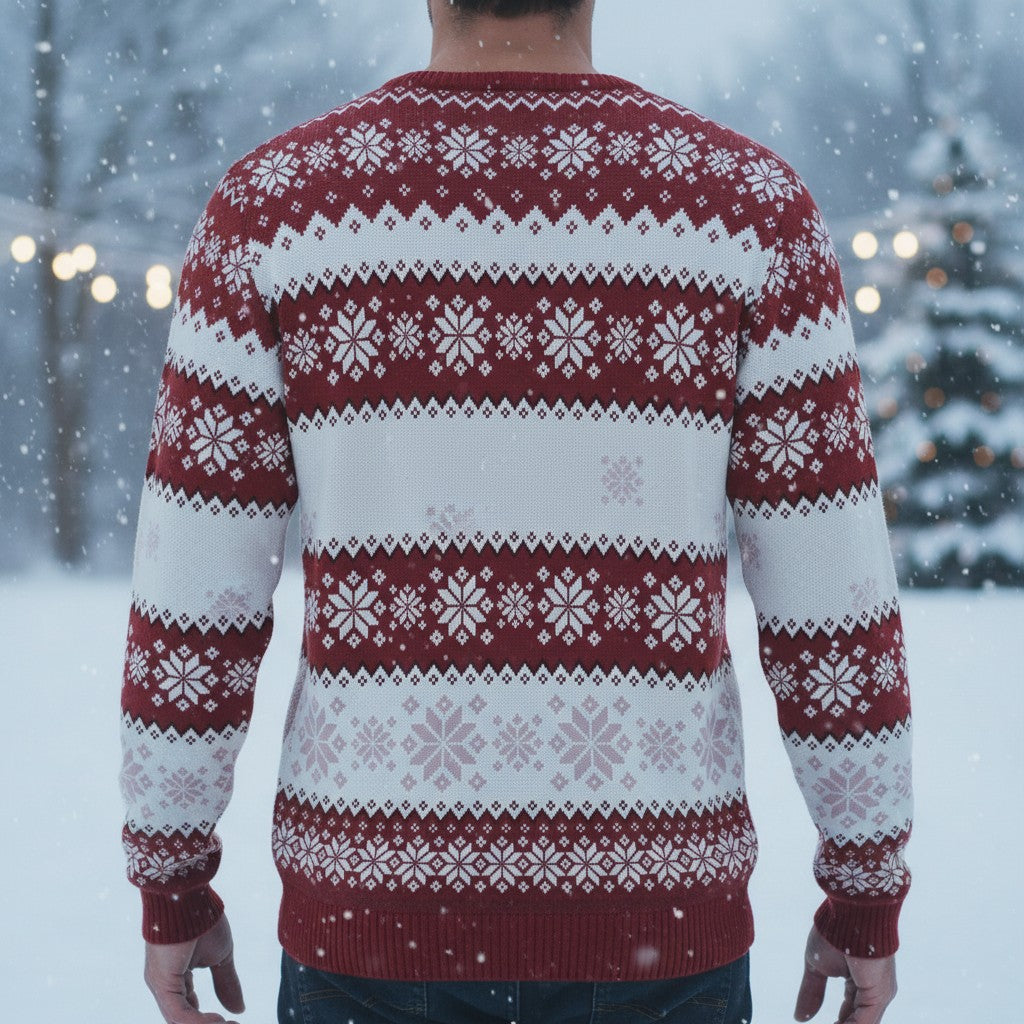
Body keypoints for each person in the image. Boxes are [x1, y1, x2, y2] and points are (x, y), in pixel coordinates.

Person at [118, 1, 913, 1022]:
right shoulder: (749, 211)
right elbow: (829, 590)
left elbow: (194, 591)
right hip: (655, 906)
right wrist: (863, 887)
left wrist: (173, 873)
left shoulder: (274, 210)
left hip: (375, 907)